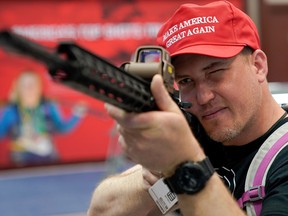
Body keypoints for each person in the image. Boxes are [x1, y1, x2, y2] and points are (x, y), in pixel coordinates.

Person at [87, 1, 288, 216]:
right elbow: (101, 210)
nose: (203, 97)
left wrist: (184, 165)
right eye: (185, 81)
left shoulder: (280, 157)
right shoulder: (197, 134)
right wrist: (160, 169)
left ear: (258, 66)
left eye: (215, 72)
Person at [0, 70, 86, 166]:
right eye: (25, 85)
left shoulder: (49, 106)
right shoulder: (10, 110)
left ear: (39, 87)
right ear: (18, 88)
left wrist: (77, 115)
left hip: (48, 156)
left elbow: (62, 128)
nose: (29, 89)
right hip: (21, 159)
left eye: (32, 84)